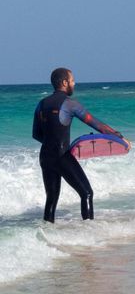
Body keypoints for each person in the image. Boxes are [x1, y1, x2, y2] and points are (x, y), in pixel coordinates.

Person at [32, 67, 125, 223]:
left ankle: (45, 236)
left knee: (51, 199)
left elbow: (36, 134)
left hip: (45, 157)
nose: (74, 83)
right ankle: (89, 233)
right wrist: (119, 137)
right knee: (86, 193)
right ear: (64, 82)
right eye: (72, 80)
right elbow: (97, 125)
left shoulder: (41, 104)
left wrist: (51, 144)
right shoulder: (70, 104)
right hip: (62, 155)